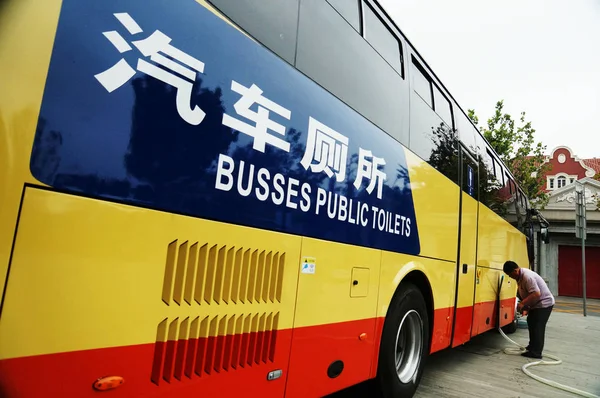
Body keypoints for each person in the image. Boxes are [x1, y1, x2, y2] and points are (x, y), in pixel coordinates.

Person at [503, 260, 555, 359]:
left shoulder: (527, 276)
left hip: (544, 304)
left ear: (515, 270)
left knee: (538, 326)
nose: (510, 277)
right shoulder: (519, 277)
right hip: (536, 304)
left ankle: (536, 352)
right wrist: (526, 307)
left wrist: (523, 303)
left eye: (510, 274)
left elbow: (536, 293)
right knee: (531, 323)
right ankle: (532, 347)